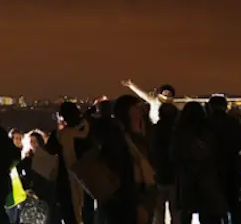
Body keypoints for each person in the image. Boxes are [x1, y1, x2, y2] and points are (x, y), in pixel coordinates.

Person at [99, 95, 157, 224]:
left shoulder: (144, 134)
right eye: (137, 107)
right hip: (129, 194)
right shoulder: (118, 137)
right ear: (127, 111)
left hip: (142, 190)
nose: (141, 111)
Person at [172, 102, 226, 224]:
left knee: (186, 211)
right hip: (207, 175)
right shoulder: (210, 130)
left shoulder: (180, 132)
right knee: (208, 211)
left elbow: (174, 154)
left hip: (187, 174)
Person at [45, 101, 91, 224]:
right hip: (87, 179)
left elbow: (49, 151)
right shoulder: (87, 132)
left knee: (69, 214)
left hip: (65, 179)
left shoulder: (59, 135)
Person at [207, 95, 241, 223]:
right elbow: (240, 143)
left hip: (211, 169)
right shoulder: (233, 123)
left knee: (212, 206)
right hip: (231, 167)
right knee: (233, 203)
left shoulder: (206, 123)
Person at [150, 103, 179, 224]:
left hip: (157, 175)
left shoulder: (153, 131)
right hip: (175, 176)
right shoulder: (177, 132)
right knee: (176, 212)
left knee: (158, 212)